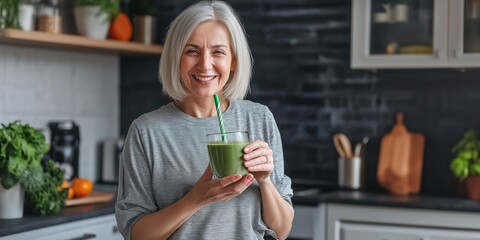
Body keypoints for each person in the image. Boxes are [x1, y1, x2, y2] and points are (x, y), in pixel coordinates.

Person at [115, 1, 294, 239]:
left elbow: (282, 229)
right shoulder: (146, 131)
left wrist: (265, 181)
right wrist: (195, 199)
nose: (205, 64)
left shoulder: (258, 119)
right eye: (192, 51)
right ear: (176, 58)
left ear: (233, 61)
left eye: (218, 52)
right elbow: (137, 233)